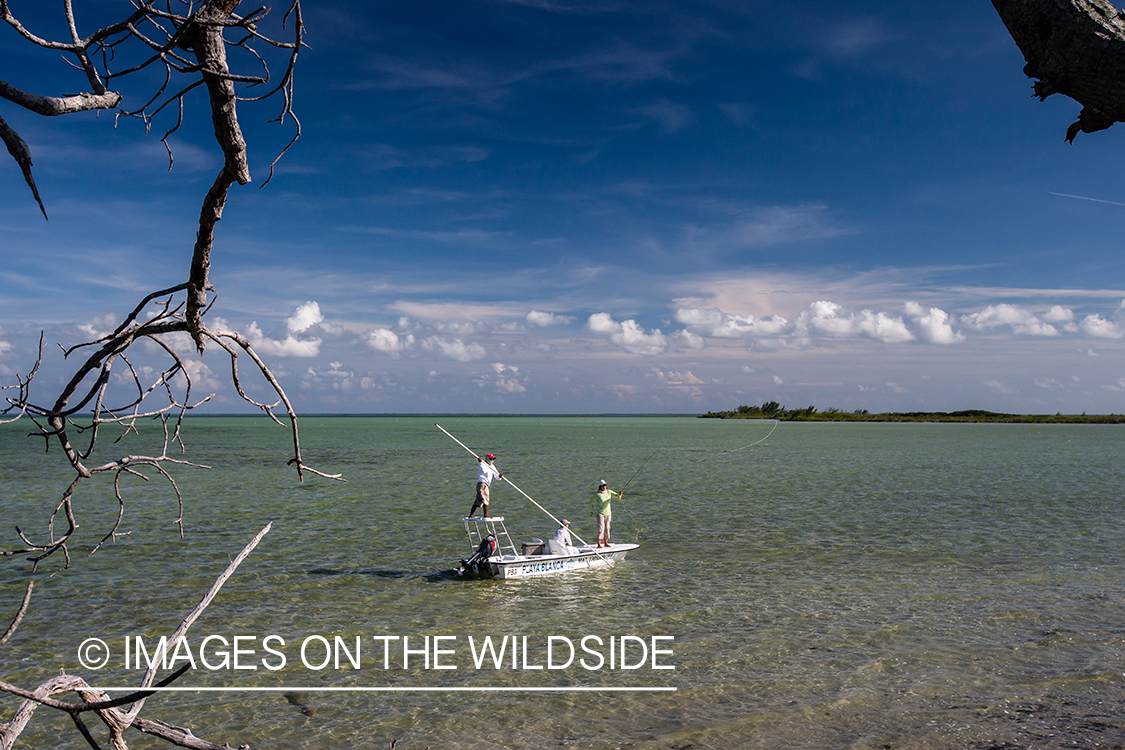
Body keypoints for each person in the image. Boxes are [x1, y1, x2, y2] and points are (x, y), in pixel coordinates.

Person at [468, 453, 502, 518]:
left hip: (485, 485)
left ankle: (471, 515)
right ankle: (485, 515)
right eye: (491, 459)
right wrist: (480, 462)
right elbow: (484, 471)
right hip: (482, 484)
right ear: (487, 459)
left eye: (493, 459)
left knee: (478, 501)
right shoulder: (483, 464)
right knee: (485, 498)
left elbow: (496, 476)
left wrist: (499, 476)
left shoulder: (492, 466)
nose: (492, 460)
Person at [591, 480, 621, 548]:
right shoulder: (597, 494)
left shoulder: (609, 492)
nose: (604, 487)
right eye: (602, 486)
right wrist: (590, 511)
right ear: (600, 487)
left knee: (607, 528)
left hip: (608, 513)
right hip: (600, 513)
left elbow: (618, 496)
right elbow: (591, 503)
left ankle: (606, 543)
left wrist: (620, 494)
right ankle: (599, 544)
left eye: (605, 485)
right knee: (601, 528)